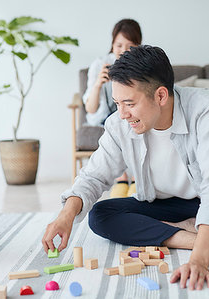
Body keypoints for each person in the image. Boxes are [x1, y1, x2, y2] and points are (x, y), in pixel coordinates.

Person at [42, 45, 209, 291]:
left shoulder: (206, 108)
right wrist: (65, 216)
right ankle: (197, 236)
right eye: (117, 103)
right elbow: (94, 175)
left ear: (161, 96)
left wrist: (199, 260)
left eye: (129, 103)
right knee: (101, 215)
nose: (122, 114)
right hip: (172, 205)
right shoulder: (118, 124)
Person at [83, 18, 142, 197]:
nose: (123, 51)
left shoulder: (142, 65)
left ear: (138, 46)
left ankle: (139, 179)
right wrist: (98, 85)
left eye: (130, 46)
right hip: (104, 117)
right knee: (113, 126)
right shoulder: (100, 65)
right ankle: (122, 179)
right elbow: (91, 109)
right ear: (112, 45)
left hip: (133, 114)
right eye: (118, 45)